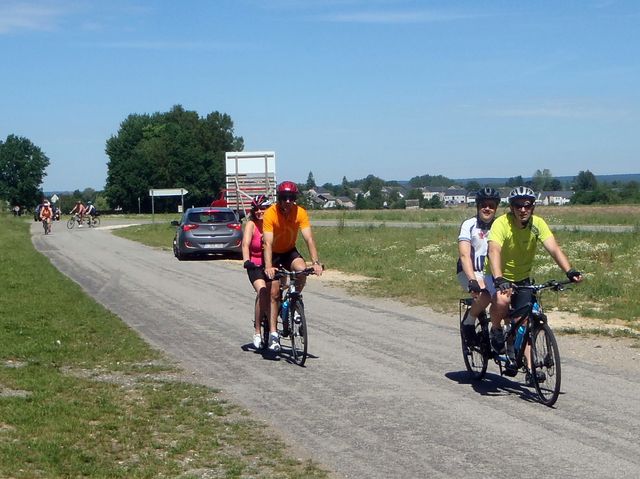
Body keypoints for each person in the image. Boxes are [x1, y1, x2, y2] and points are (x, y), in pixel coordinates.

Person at [487, 186, 583, 377]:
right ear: (511, 208)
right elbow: (494, 251)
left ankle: (530, 369)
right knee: (502, 301)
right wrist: (498, 278)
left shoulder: (538, 224)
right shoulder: (501, 224)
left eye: (527, 206)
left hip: (522, 278)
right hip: (500, 276)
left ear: (533, 207)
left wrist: (569, 270)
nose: (523, 209)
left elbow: (554, 248)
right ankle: (496, 329)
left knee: (524, 322)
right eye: (518, 206)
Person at [263, 181, 323, 352]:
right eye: (284, 197)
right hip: (273, 253)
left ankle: (294, 301)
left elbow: (309, 239)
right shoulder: (270, 213)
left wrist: (316, 262)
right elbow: (267, 243)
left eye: (291, 198)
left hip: (289, 250)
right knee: (274, 293)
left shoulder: (300, 212)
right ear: (279, 198)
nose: (288, 201)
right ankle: (274, 334)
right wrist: (268, 266)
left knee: (302, 270)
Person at [457, 187, 501, 345]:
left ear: (496, 208)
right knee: (486, 296)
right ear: (477, 206)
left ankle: (500, 334)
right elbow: (464, 255)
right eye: (483, 204)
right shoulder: (469, 224)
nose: (487, 208)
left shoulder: (500, 225)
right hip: (469, 271)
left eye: (491, 205)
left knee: (504, 300)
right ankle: (468, 323)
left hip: (490, 273)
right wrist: (472, 279)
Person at [241, 195, 272, 349]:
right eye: (257, 209)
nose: (260, 211)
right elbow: (245, 244)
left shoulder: (272, 223)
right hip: (255, 265)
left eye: (263, 208)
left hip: (272, 264)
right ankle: (257, 331)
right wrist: (247, 260)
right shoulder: (251, 225)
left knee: (277, 294)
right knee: (263, 291)